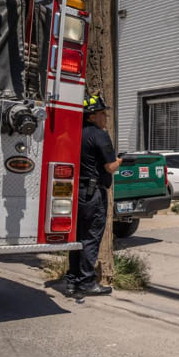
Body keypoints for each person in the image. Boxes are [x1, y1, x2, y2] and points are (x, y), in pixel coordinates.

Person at [65, 93, 123, 297]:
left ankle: (72, 280)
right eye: (102, 114)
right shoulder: (99, 135)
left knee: (77, 238)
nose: (105, 117)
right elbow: (109, 167)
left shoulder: (75, 133)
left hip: (77, 192)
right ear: (91, 116)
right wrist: (120, 160)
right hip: (94, 193)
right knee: (91, 237)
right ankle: (87, 282)